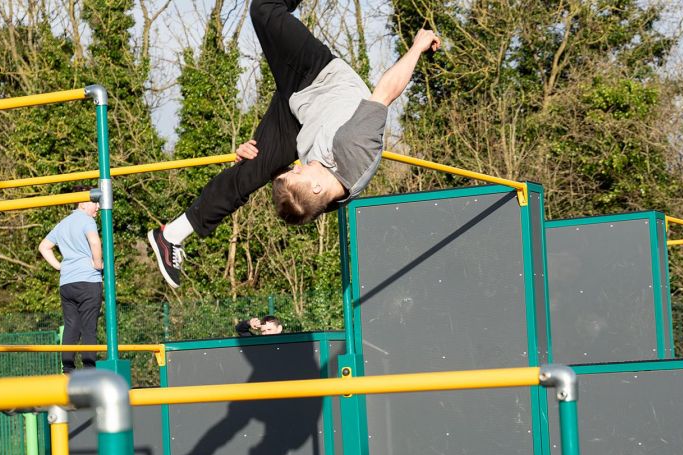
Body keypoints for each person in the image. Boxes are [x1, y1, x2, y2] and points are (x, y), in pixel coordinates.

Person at [148, 0, 441, 288]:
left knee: (251, 171)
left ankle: (171, 235)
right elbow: (387, 92)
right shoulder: (354, 146)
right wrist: (417, 45)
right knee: (263, 9)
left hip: (301, 117)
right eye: (299, 170)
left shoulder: (317, 198)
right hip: (316, 75)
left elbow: (289, 186)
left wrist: (263, 162)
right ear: (316, 187)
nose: (300, 166)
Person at [39, 201, 104, 374]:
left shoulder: (62, 223)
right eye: (95, 203)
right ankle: (89, 369)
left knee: (71, 326)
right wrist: (98, 264)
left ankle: (67, 369)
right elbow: (95, 242)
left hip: (67, 283)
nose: (98, 206)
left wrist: (60, 266)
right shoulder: (87, 220)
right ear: (82, 204)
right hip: (87, 280)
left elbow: (44, 247)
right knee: (89, 327)